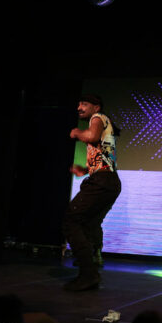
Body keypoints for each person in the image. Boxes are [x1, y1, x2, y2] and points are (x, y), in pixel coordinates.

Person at [62, 94, 121, 291]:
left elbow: (92, 137)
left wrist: (77, 132)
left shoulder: (98, 118)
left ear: (96, 107)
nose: (79, 107)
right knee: (89, 223)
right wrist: (86, 170)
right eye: (78, 104)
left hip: (102, 182)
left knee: (71, 220)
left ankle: (88, 273)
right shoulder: (105, 122)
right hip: (108, 180)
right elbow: (105, 158)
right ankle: (92, 265)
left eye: (84, 104)